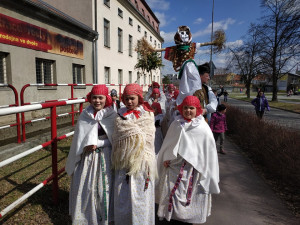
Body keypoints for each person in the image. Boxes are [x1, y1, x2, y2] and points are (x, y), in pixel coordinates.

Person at [156, 96, 220, 224]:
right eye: (185, 108)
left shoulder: (202, 127)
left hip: (194, 169)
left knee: (191, 197)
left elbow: (208, 151)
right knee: (172, 193)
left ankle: (190, 218)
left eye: (192, 108)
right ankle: (172, 216)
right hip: (175, 165)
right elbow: (169, 144)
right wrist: (166, 157)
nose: (188, 111)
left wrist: (202, 165)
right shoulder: (176, 124)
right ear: (181, 109)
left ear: (197, 110)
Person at [65, 84, 117, 225]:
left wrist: (99, 144)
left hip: (105, 156)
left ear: (106, 99)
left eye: (100, 98)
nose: (97, 101)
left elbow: (115, 139)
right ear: (90, 98)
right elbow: (79, 138)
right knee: (87, 187)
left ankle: (104, 217)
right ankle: (87, 216)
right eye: (94, 98)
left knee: (104, 186)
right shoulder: (85, 115)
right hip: (87, 158)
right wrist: (84, 147)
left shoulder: (111, 115)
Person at [111, 83, 156, 225]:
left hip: (142, 162)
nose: (129, 102)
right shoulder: (119, 115)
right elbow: (116, 137)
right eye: (126, 99)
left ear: (139, 98)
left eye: (132, 98)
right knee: (123, 195)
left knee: (141, 195)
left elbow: (149, 137)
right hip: (124, 162)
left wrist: (134, 136)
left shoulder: (147, 115)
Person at [163, 26, 202, 105]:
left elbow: (195, 85)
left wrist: (190, 101)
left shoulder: (189, 64)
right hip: (184, 101)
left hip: (189, 102)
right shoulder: (183, 63)